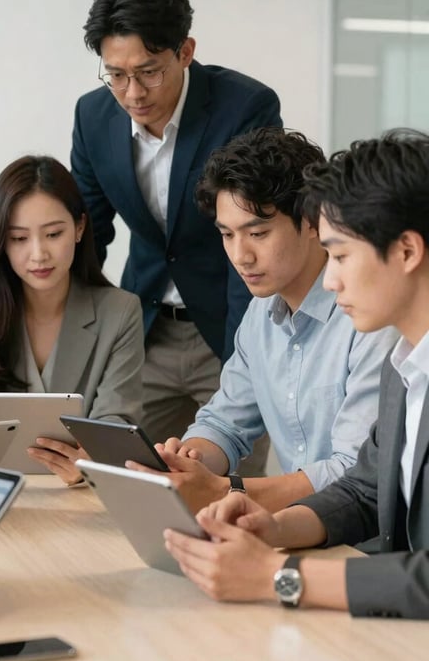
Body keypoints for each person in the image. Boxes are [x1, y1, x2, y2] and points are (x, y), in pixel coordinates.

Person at [164, 130, 429, 618]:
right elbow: (365, 490)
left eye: (343, 255)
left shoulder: (383, 340)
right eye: (228, 234)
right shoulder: (405, 367)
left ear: (408, 252)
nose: (330, 279)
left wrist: (277, 575)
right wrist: (272, 526)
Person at [71, 0, 283, 476]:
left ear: (185, 51)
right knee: (123, 479)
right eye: (115, 74)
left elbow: (250, 237)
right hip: (145, 334)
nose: (132, 92)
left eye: (148, 72)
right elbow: (89, 234)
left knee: (227, 494)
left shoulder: (243, 108)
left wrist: (241, 360)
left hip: (227, 331)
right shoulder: (92, 116)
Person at [129, 128, 397, 513]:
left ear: (311, 223)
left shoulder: (370, 318)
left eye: (257, 233)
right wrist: (188, 462)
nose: (241, 255)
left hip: (361, 538)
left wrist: (226, 490)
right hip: (297, 527)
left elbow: (355, 472)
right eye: (227, 235)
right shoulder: (260, 313)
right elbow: (225, 422)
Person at [0, 155, 144, 486]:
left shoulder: (121, 311)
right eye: (19, 238)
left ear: (80, 227)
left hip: (82, 493)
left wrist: (90, 465)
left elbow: (116, 422)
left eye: (53, 234)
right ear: (1, 241)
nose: (39, 254)